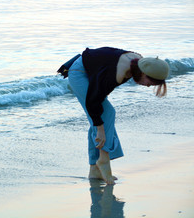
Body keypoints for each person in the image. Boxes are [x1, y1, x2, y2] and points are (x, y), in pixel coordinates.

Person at [57, 47, 169, 184]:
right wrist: (100, 130)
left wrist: (99, 126)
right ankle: (103, 160)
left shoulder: (139, 64)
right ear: (144, 73)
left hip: (92, 72)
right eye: (150, 82)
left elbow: (100, 86)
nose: (147, 86)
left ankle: (94, 169)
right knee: (105, 114)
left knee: (101, 116)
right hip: (79, 73)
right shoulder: (116, 71)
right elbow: (92, 102)